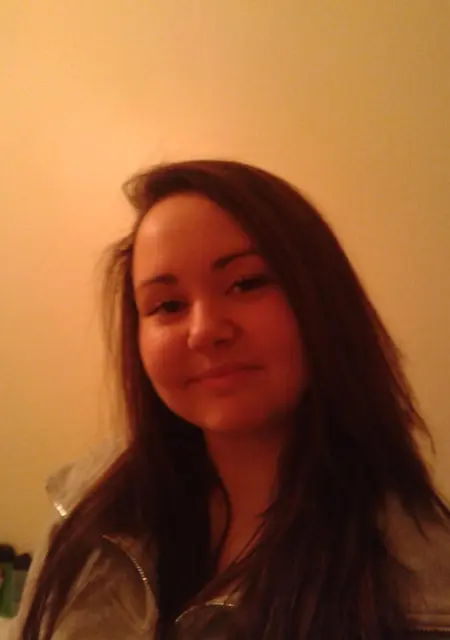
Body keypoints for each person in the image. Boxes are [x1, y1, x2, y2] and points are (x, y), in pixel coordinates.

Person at [12, 159, 450, 640]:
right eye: (168, 305)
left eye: (246, 283)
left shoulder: (423, 592)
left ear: (322, 300)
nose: (204, 331)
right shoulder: (88, 502)